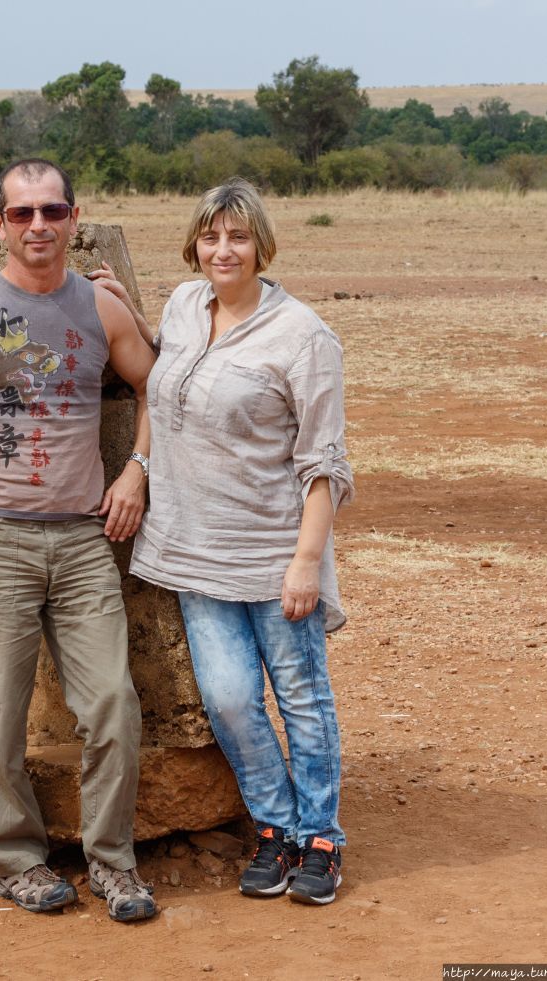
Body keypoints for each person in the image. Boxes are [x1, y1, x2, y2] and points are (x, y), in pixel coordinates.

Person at [0, 157, 158, 922]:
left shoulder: (100, 307)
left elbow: (161, 386)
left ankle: (112, 863)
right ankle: (15, 859)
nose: (39, 226)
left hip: (85, 537)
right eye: (22, 214)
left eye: (52, 212)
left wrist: (137, 472)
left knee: (114, 703)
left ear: (74, 219)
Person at [95, 177, 354, 906]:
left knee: (300, 694)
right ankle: (274, 826)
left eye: (237, 236)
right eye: (211, 236)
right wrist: (120, 309)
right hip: (195, 551)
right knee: (232, 698)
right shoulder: (183, 305)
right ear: (196, 243)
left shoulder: (303, 336)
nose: (223, 249)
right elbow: (162, 379)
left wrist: (307, 560)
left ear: (260, 244)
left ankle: (322, 836)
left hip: (274, 553)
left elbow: (324, 462)